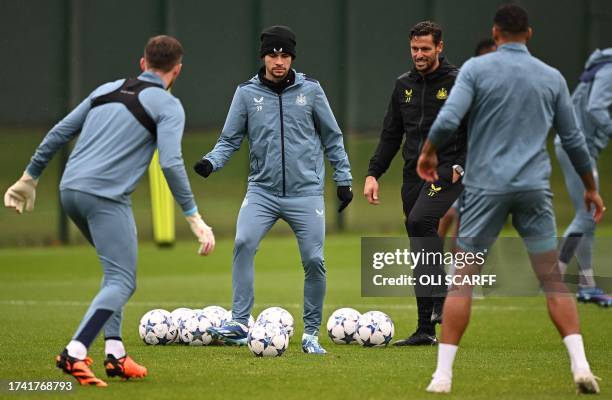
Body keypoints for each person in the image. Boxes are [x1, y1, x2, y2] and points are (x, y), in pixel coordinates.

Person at [3, 35, 215, 387]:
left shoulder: (106, 89)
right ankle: (74, 352)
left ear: (142, 63)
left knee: (116, 271)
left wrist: (29, 177)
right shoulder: (167, 105)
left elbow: (58, 132)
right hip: (105, 198)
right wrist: (194, 217)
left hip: (70, 192)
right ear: (177, 71)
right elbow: (172, 163)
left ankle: (115, 353)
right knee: (122, 279)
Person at [416, 5, 605, 394]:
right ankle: (581, 366)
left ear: (495, 33)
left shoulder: (475, 69)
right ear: (529, 35)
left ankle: (442, 377)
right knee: (554, 280)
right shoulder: (551, 77)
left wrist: (429, 151)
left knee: (462, 281)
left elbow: (450, 118)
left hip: (487, 189)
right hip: (534, 189)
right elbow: (573, 140)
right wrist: (590, 186)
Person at [193, 25, 353, 354]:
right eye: (272, 54)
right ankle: (239, 321)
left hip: (305, 193)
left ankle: (310, 334)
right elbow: (229, 140)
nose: (278, 61)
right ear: (263, 57)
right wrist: (211, 162)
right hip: (262, 192)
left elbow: (332, 138)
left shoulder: (312, 91)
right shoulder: (246, 94)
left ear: (292, 58)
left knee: (314, 260)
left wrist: (344, 179)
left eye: (284, 55)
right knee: (243, 241)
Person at [364, 21, 466, 346]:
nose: (419, 55)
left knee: (421, 220)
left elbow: (477, 127)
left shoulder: (458, 81)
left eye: (425, 49)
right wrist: (373, 173)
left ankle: (439, 297)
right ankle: (425, 329)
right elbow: (391, 135)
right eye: (414, 49)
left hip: (446, 171)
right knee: (420, 245)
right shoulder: (403, 85)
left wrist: (461, 166)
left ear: (439, 47)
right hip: (413, 175)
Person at [555, 48, 612, 307]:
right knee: (587, 214)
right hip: (577, 147)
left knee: (587, 215)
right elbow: (597, 107)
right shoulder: (609, 69)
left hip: (578, 145)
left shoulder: (603, 66)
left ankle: (585, 284)